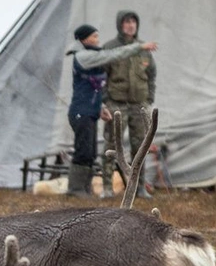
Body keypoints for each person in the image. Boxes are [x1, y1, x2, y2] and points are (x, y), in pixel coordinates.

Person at [66, 21, 153, 198]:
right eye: (94, 36)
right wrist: (139, 47)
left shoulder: (90, 55)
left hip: (90, 111)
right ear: (84, 39)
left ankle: (85, 188)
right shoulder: (84, 57)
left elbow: (94, 89)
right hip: (80, 111)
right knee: (83, 150)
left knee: (90, 151)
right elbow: (112, 55)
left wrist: (101, 108)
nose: (98, 40)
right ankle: (76, 189)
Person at [102, 10, 159, 193]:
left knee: (140, 146)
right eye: (127, 22)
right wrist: (105, 100)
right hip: (117, 103)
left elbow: (151, 75)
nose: (131, 25)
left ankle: (139, 187)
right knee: (112, 144)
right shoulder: (110, 47)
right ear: (120, 25)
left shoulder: (144, 49)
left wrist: (149, 97)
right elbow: (102, 76)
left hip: (139, 104)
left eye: (133, 22)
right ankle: (107, 187)